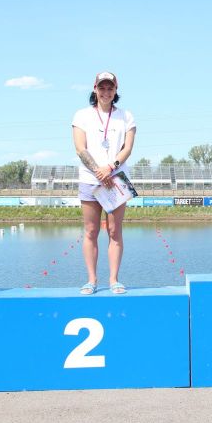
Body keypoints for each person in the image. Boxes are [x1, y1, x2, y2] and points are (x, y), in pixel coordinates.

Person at [72, 71, 136, 295]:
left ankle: (114, 280)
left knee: (114, 231)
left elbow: (127, 148)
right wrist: (98, 171)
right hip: (90, 179)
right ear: (95, 89)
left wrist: (110, 167)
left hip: (116, 179)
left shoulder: (126, 116)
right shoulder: (81, 115)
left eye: (110, 88)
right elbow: (80, 148)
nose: (106, 92)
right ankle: (91, 280)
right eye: (102, 88)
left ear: (116, 90)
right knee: (91, 231)